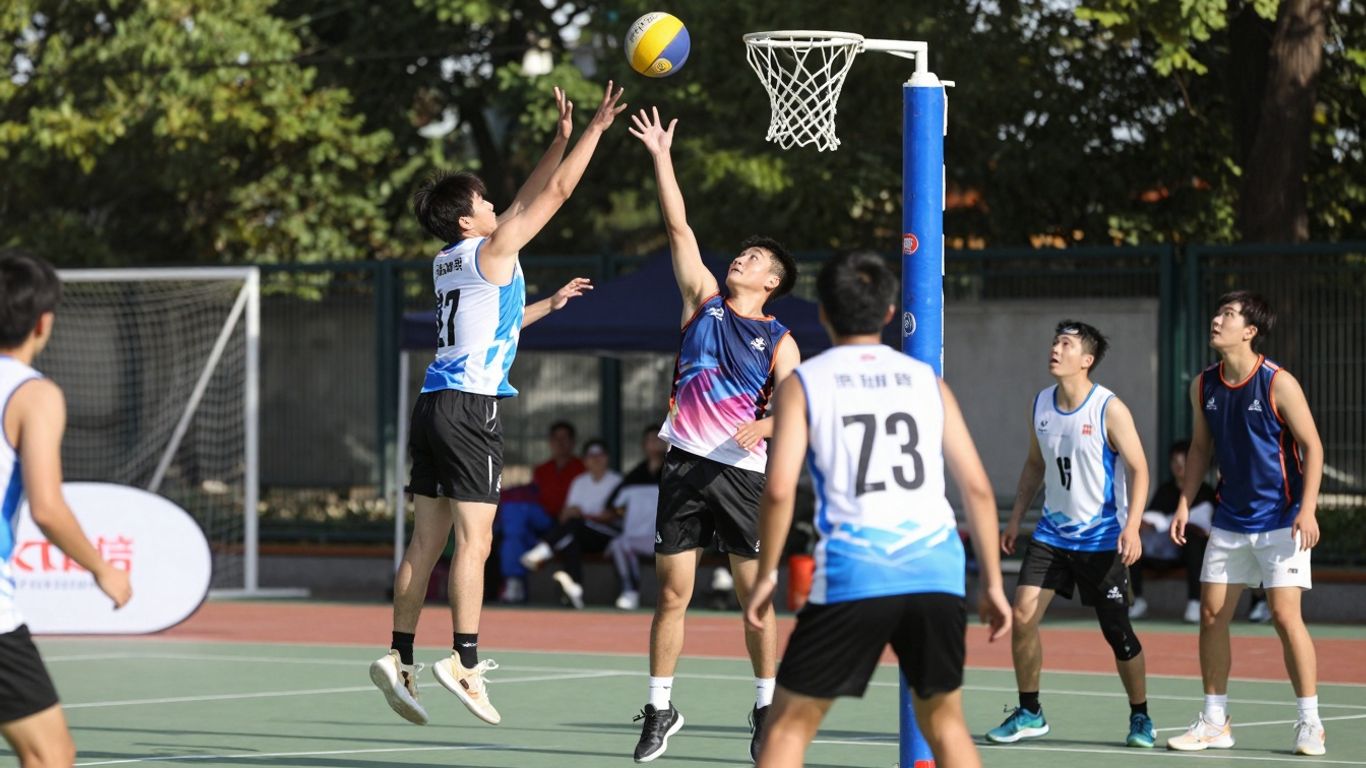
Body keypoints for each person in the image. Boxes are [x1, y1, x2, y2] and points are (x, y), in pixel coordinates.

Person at [370, 82, 626, 727]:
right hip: (469, 410)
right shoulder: (493, 248)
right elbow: (555, 195)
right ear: (468, 220)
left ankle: (399, 657)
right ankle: (463, 660)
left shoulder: (450, 259)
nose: (494, 205)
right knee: (474, 542)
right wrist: (594, 129)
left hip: (432, 405)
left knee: (424, 541)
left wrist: (558, 140)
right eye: (482, 201)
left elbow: (517, 217)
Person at [741, 251, 1011, 768]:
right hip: (936, 570)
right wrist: (994, 584)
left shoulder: (805, 384)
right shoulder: (927, 382)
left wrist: (766, 577)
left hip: (857, 568)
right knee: (946, 723)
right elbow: (976, 489)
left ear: (821, 312)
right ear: (890, 312)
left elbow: (778, 491)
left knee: (787, 732)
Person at [627, 107, 802, 764]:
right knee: (673, 592)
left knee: (756, 603)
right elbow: (678, 225)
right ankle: (659, 706)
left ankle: (764, 707)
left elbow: (798, 402)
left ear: (771, 282)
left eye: (755, 258)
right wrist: (661, 156)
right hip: (684, 465)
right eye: (743, 252)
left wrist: (769, 420)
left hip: (742, 475)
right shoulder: (700, 298)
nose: (742, 258)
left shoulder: (778, 337)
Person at [1166, 291, 1326, 756]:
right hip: (1230, 517)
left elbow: (1312, 447)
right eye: (1217, 312)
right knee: (1212, 615)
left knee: (1283, 616)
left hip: (1282, 519)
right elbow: (1199, 449)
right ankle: (1215, 721)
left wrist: (1308, 507)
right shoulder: (1203, 385)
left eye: (1229, 315)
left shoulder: (1279, 383)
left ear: (1250, 331)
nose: (1217, 320)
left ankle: (1310, 722)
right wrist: (1184, 501)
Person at [992, 320, 1154, 748]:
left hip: (1102, 538)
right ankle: (1030, 712)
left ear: (1086, 360)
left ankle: (1141, 717)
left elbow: (1139, 468)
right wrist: (1015, 519)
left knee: (1117, 633)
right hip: (1050, 535)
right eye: (1054, 341)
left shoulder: (1108, 408)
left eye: (1066, 344)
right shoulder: (1041, 403)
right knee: (1023, 615)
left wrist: (1133, 525)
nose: (1055, 349)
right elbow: (1034, 464)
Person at [1, 250, 134, 766]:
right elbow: (48, 509)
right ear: (43, 321)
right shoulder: (33, 396)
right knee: (49, 755)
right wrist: (103, 569)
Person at [520, 438, 621, 608]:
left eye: (600, 455)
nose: (596, 459)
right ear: (585, 460)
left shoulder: (617, 481)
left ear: (607, 458)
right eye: (591, 455)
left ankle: (543, 550)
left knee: (575, 526)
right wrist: (572, 513)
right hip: (581, 532)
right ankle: (575, 589)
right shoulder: (579, 482)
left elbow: (614, 516)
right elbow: (565, 515)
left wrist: (586, 515)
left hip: (607, 535)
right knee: (571, 540)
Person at [1130, 439, 1216, 623]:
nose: (1178, 467)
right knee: (1131, 539)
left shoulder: (1206, 492)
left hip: (1187, 550)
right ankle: (1136, 600)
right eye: (1174, 463)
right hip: (1160, 548)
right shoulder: (1165, 490)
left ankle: (1195, 601)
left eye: (1183, 462)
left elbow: (1209, 526)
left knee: (1192, 540)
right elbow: (1152, 517)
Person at [498, 421, 584, 603]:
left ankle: (517, 581)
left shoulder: (581, 468)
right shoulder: (541, 469)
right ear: (550, 442)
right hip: (543, 520)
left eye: (565, 438)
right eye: (556, 439)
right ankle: (514, 582)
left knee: (517, 529)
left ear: (573, 442)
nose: (560, 443)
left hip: (568, 524)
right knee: (515, 524)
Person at [606, 427, 669, 610]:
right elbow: (613, 507)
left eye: (660, 439)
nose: (656, 443)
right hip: (637, 538)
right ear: (643, 445)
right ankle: (630, 591)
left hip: (668, 539)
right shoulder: (633, 476)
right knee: (619, 544)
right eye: (651, 439)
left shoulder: (675, 471)